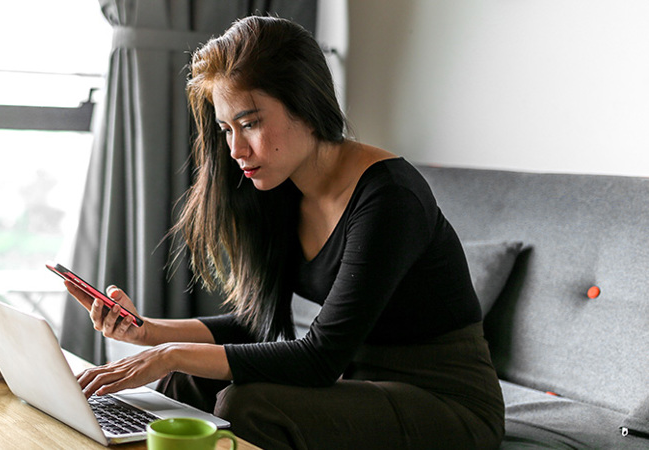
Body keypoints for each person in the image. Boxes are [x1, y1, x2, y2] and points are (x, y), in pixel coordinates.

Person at [64, 15, 505, 450]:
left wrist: (170, 351)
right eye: (226, 129)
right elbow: (257, 322)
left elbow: (319, 357)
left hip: (449, 406)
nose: (236, 149)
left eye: (250, 123)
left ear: (306, 105)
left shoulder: (390, 197)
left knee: (249, 402)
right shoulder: (280, 185)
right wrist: (148, 332)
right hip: (360, 384)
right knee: (189, 377)